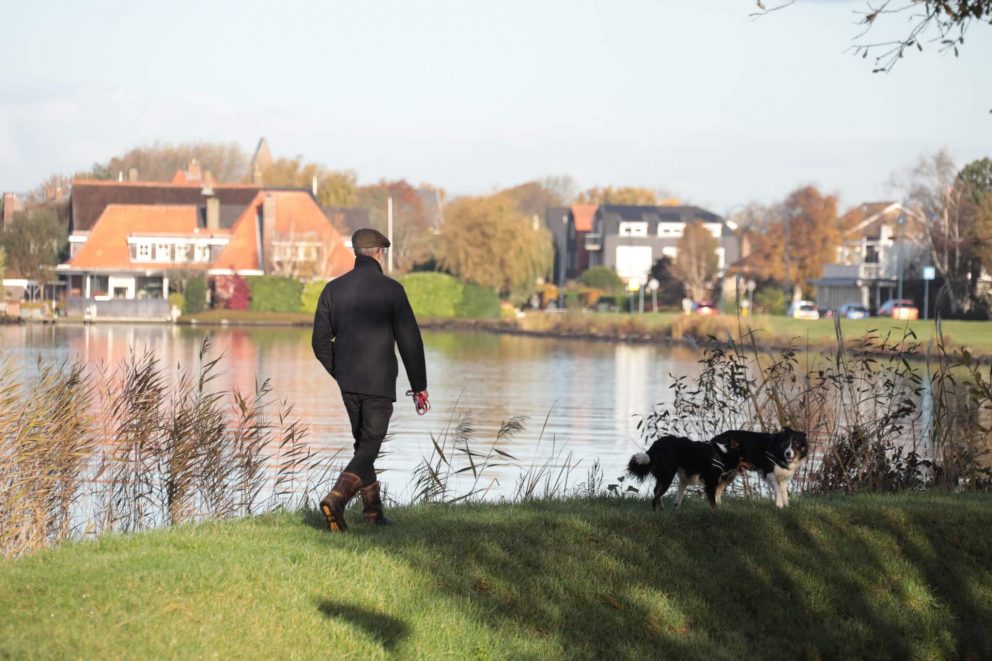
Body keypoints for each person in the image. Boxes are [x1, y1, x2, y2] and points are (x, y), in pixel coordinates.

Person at [311, 228, 429, 532]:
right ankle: (337, 498)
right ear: (379, 252)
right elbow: (410, 342)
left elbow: (320, 342)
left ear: (356, 253)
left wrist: (339, 371)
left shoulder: (332, 290)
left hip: (348, 383)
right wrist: (419, 387)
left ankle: (373, 512)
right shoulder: (392, 290)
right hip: (379, 384)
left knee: (364, 446)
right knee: (369, 447)